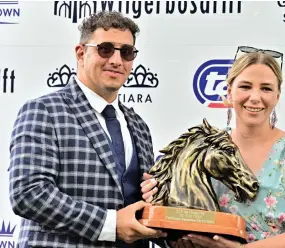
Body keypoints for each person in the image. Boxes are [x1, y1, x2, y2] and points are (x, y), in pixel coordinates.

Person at [141, 47, 285, 248]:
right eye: (245, 86)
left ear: (277, 96)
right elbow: (179, 223)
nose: (255, 97)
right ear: (229, 92)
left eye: (266, 88)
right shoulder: (208, 150)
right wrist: (159, 195)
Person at [8, 10, 167, 248]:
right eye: (105, 49)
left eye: (126, 52)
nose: (116, 60)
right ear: (81, 53)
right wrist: (110, 224)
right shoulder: (44, 110)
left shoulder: (139, 126)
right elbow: (29, 193)